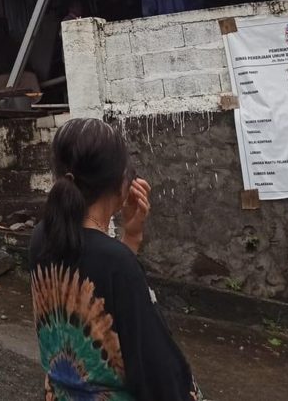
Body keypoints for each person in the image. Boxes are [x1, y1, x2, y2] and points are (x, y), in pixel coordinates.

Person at [29, 118, 200, 400]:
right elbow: (158, 371)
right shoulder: (115, 261)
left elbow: (97, 281)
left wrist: (130, 239)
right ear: (122, 183)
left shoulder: (41, 238)